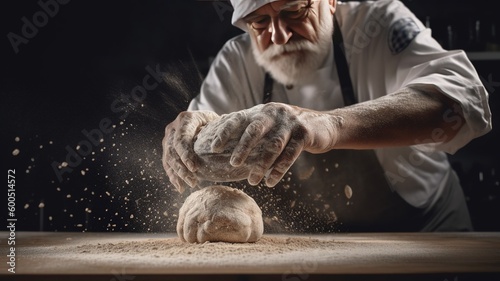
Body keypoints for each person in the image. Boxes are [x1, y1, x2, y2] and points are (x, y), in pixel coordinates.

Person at [162, 0, 492, 232]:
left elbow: (463, 102)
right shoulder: (237, 61)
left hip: (426, 233)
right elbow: (205, 146)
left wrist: (329, 125)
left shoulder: (380, 24)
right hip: (318, 249)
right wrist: (189, 134)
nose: (279, 36)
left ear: (331, 1)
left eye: (293, 11)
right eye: (259, 22)